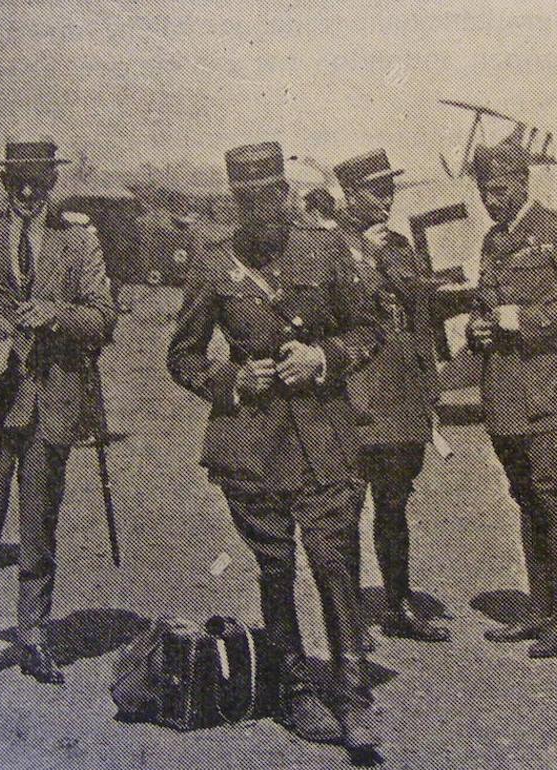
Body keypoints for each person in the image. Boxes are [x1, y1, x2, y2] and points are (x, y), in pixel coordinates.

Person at [166, 141, 384, 750]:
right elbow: (180, 356)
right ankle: (294, 690)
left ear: (285, 197)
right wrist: (232, 380)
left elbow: (371, 327)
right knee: (275, 565)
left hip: (325, 434)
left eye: (270, 198)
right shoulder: (214, 267)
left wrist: (324, 357)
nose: (261, 212)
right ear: (236, 204)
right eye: (248, 202)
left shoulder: (326, 247)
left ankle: (352, 689)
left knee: (334, 556)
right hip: (251, 443)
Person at [0, 136, 115, 687]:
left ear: (52, 182)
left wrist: (56, 314)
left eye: (39, 180)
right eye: (18, 181)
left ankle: (33, 637)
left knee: (38, 527)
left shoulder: (79, 241)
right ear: (4, 183)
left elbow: (104, 317)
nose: (29, 191)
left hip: (52, 403)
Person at [465, 142, 557, 658]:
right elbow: (491, 301)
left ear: (522, 183)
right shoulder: (492, 239)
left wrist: (518, 320)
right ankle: (541, 609)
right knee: (525, 496)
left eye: (499, 189)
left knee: (551, 496)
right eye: (484, 191)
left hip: (550, 389)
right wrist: (482, 329)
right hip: (505, 390)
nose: (491, 199)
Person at [331, 148, 450, 644]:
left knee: (395, 504)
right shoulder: (329, 247)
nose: (387, 199)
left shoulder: (398, 244)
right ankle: (350, 618)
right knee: (346, 507)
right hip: (355, 391)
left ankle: (398, 603)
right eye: (376, 191)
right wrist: (371, 257)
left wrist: (429, 385)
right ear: (349, 196)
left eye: (390, 189)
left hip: (401, 393)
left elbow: (421, 311)